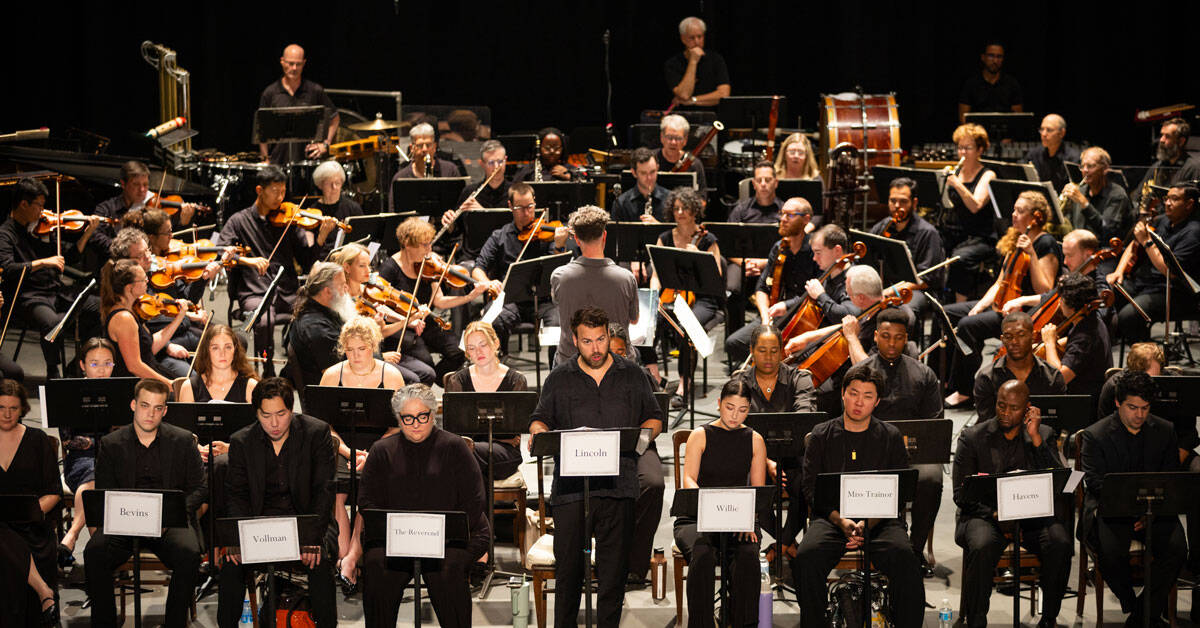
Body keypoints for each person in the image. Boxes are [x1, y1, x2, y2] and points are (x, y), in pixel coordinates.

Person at [529, 306, 664, 626]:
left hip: (619, 485)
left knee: (613, 576)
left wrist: (641, 440)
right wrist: (538, 433)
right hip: (571, 490)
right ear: (575, 340)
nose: (596, 348)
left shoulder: (632, 374)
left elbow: (654, 417)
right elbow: (540, 419)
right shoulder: (560, 378)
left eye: (601, 339)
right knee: (568, 576)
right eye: (587, 341)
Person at [791, 364, 925, 628]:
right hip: (831, 518)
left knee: (906, 557)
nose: (859, 402)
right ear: (843, 394)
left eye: (867, 396)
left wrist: (868, 524)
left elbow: (899, 492)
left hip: (881, 519)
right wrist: (841, 521)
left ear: (877, 401)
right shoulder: (821, 435)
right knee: (806, 557)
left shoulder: (890, 436)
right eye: (853, 394)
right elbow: (810, 489)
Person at [354, 384, 489, 627]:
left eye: (422, 416)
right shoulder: (382, 450)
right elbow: (367, 500)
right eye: (408, 418)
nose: (415, 424)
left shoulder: (455, 447)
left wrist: (437, 536)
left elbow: (474, 498)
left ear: (432, 414)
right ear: (399, 418)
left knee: (446, 572)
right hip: (396, 538)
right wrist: (397, 533)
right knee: (377, 568)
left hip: (452, 538)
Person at [217, 377, 337, 628]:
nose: (274, 423)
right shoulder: (242, 441)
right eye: (266, 415)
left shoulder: (316, 433)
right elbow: (236, 494)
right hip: (260, 525)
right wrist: (238, 538)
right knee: (230, 565)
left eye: (281, 414)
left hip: (306, 523)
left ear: (291, 410)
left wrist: (312, 538)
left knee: (320, 560)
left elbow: (324, 491)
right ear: (256, 413)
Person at [85, 378, 205, 628]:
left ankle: (174, 624)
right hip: (125, 522)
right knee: (94, 552)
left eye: (157, 408)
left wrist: (174, 512)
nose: (150, 414)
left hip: (169, 522)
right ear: (133, 405)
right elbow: (105, 492)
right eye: (145, 406)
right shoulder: (111, 443)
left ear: (165, 410)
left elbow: (199, 487)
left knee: (189, 553)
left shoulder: (183, 440)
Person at [952, 380, 1070, 628]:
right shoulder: (972, 438)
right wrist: (996, 513)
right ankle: (975, 620)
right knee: (981, 545)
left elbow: (1058, 483)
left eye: (1014, 408)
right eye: (1001, 405)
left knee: (1060, 542)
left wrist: (1035, 438)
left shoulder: (1043, 434)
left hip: (1031, 519)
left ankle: (1049, 618)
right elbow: (962, 494)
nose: (1005, 412)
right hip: (985, 515)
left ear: (1027, 409)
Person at [1079, 371, 1186, 626]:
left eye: (1145, 408)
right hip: (1113, 510)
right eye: (1133, 407)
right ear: (1118, 402)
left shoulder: (1165, 430)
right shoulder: (1095, 435)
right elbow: (1096, 483)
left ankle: (1142, 615)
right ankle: (1137, 608)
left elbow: (1170, 477)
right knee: (1110, 554)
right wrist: (1132, 510)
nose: (1139, 415)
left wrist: (1150, 513)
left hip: (1155, 510)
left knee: (1177, 549)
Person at [942, 191, 1061, 407]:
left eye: (1020, 211)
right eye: (1014, 210)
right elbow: (1000, 282)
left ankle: (966, 390)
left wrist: (1032, 254)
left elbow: (1046, 290)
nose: (1013, 215)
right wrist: (980, 305)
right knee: (947, 312)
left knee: (967, 326)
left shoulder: (1046, 243)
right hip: (1002, 304)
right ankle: (945, 381)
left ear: (1035, 217)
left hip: (1022, 313)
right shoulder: (1016, 238)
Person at [216, 166, 336, 371]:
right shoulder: (239, 221)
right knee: (263, 322)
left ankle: (303, 368)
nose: (280, 198)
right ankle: (267, 367)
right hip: (255, 291)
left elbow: (307, 261)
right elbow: (221, 252)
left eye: (283, 192)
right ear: (259, 190)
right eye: (274, 191)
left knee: (320, 312)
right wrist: (249, 261)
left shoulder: (288, 221)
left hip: (288, 291)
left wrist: (321, 237)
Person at [851, 307, 943, 572]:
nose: (892, 343)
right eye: (886, 336)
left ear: (906, 339)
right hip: (871, 452)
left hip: (913, 453)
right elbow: (849, 420)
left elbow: (934, 426)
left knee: (931, 477)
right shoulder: (859, 373)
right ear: (876, 336)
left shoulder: (923, 374)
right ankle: (875, 545)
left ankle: (914, 549)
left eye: (898, 337)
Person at [674, 379, 767, 627]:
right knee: (703, 554)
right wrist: (708, 509)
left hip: (739, 517)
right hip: (697, 517)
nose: (735, 415)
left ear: (749, 409)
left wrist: (748, 520)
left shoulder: (755, 439)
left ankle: (742, 623)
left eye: (742, 410)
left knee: (748, 555)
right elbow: (689, 479)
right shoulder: (700, 435)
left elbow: (757, 490)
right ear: (719, 404)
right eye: (729, 407)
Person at [0, 178, 103, 377]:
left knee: (102, 309)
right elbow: (8, 268)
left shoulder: (42, 230)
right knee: (52, 324)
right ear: (24, 204)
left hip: (57, 292)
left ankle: (75, 367)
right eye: (39, 205)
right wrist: (43, 262)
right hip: (29, 297)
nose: (43, 211)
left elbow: (68, 258)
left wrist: (87, 233)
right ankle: (52, 371)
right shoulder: (5, 234)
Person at [377, 217, 481, 382]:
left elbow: (439, 300)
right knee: (426, 363)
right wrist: (409, 321)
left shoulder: (426, 265)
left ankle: (438, 381)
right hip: (401, 328)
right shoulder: (389, 269)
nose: (430, 249)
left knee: (458, 351)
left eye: (430, 243)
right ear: (408, 245)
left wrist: (469, 297)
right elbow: (381, 307)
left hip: (426, 322)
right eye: (424, 245)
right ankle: (425, 381)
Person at [471, 182, 572, 349]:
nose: (526, 213)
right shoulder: (499, 236)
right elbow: (478, 268)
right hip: (509, 302)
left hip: (543, 301)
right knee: (493, 322)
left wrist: (560, 246)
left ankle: (556, 365)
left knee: (558, 328)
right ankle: (499, 360)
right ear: (510, 206)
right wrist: (488, 283)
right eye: (520, 208)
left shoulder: (547, 234)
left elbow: (558, 270)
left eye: (530, 206)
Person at [651, 187, 722, 406]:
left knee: (686, 327)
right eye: (676, 208)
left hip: (703, 300)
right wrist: (653, 298)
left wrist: (699, 257)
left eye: (685, 208)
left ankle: (684, 383)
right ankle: (654, 377)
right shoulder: (664, 238)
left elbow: (717, 277)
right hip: (671, 297)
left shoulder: (708, 239)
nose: (680, 212)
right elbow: (656, 275)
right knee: (648, 323)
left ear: (694, 211)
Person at [724, 197, 817, 366]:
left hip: (804, 317)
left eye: (790, 215)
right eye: (782, 214)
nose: (783, 219)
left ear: (806, 220)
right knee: (734, 343)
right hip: (775, 314)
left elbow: (818, 292)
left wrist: (787, 305)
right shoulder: (779, 247)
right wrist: (765, 318)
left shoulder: (815, 250)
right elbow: (762, 287)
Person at [0, 379, 62, 626]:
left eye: (13, 408)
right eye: (1, 407)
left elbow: (54, 492)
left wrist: (31, 512)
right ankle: (43, 590)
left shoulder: (37, 440)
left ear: (23, 409)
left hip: (30, 523)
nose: (7, 414)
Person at [1108, 183, 1200, 343]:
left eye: (1174, 199)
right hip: (1145, 283)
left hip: (1173, 292)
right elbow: (1135, 244)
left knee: (1129, 316)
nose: (1167, 203)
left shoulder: (1193, 232)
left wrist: (1147, 242)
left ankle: (1148, 355)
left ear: (1189, 204)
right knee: (1108, 294)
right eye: (1167, 198)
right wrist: (1119, 271)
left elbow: (1170, 272)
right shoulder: (1162, 220)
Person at [550, 205, 638, 366]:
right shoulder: (626, 278)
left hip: (571, 366)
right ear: (604, 236)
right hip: (616, 365)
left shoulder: (559, 276)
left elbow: (558, 304)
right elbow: (634, 319)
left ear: (577, 239)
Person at [329, 242, 427, 384]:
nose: (368, 271)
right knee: (414, 379)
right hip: (364, 356)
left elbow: (381, 331)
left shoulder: (369, 292)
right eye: (362, 266)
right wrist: (381, 356)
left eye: (369, 265)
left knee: (427, 374)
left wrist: (406, 320)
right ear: (347, 268)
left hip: (378, 348)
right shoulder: (343, 301)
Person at [444, 320, 528, 481]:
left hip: (504, 453)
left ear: (496, 343)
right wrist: (497, 435)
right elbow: (454, 429)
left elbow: (514, 431)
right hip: (467, 449)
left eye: (483, 345)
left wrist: (478, 434)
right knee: (464, 452)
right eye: (471, 348)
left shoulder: (516, 380)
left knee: (464, 452)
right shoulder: (457, 380)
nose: (478, 352)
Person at [57, 337, 117, 563]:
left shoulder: (122, 392)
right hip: (80, 461)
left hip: (115, 460)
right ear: (82, 365)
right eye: (94, 364)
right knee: (94, 477)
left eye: (107, 363)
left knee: (101, 475)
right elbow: (68, 442)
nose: (102, 370)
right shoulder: (69, 393)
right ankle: (100, 556)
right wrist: (101, 441)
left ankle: (75, 537)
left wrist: (100, 442)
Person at [90, 160, 199, 268]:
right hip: (116, 267)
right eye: (136, 184)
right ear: (123, 184)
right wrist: (125, 249)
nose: (142, 190)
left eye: (145, 185)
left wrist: (183, 223)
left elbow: (169, 239)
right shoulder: (106, 209)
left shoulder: (156, 206)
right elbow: (95, 237)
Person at [100, 258, 189, 385]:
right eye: (143, 279)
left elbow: (148, 349)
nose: (147, 280)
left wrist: (179, 317)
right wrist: (169, 384)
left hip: (148, 376)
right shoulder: (123, 318)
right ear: (129, 287)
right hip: (137, 386)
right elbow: (134, 366)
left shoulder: (132, 309)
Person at [868, 177, 947, 315]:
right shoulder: (882, 227)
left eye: (903, 201)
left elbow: (926, 280)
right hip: (885, 287)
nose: (897, 206)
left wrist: (892, 291)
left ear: (914, 203)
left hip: (916, 290)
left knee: (903, 312)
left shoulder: (928, 233)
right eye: (893, 201)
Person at [972, 312, 1067, 423]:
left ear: (1033, 336)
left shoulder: (1052, 376)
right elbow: (987, 424)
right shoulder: (987, 377)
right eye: (1008, 337)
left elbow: (1058, 420)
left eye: (1021, 335)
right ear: (1002, 339)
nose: (1014, 342)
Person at [257, 43, 339, 164]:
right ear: (282, 62)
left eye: (298, 64)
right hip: (278, 162)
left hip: (308, 162)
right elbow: (262, 129)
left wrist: (326, 144)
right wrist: (265, 159)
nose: (294, 68)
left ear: (304, 63)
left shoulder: (314, 90)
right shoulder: (270, 93)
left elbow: (335, 118)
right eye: (290, 63)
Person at [1039, 272, 1112, 396]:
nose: (1059, 303)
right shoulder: (1092, 319)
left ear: (1072, 307)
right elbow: (1074, 344)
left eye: (1061, 299)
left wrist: (1049, 344)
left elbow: (1058, 380)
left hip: (1083, 402)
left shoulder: (1084, 336)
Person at [287, 261, 353, 389]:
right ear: (327, 291)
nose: (347, 289)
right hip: (331, 392)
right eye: (342, 285)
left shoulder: (326, 311)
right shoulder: (316, 328)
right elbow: (336, 375)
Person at [1061, 146, 1134, 244]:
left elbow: (1107, 231)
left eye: (1090, 166)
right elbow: (1072, 226)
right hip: (1080, 246)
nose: (1085, 170)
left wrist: (1085, 204)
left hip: (1104, 248)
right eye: (1082, 166)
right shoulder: (1081, 190)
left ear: (1105, 169)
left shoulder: (1117, 195)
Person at [179, 324, 260, 403]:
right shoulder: (189, 387)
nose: (222, 353)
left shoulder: (251, 387)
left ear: (235, 350)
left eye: (228, 347)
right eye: (215, 348)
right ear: (207, 351)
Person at [665, 16, 730, 109]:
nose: (697, 41)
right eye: (692, 38)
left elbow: (724, 94)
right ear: (683, 39)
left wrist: (693, 100)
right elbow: (684, 95)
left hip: (713, 114)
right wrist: (693, 61)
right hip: (684, 114)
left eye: (700, 37)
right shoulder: (673, 64)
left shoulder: (716, 59)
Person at [1132, 117, 1200, 203]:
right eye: (1161, 135)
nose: (1161, 140)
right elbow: (1137, 196)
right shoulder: (1157, 166)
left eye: (1167, 136)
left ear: (1181, 141)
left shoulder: (1194, 168)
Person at [957, 41, 1023, 123]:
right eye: (991, 56)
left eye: (999, 57)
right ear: (983, 57)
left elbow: (1018, 118)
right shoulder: (971, 84)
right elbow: (963, 118)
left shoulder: (1011, 83)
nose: (995, 61)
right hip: (977, 129)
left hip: (1005, 129)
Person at [390, 122, 461, 188]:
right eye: (420, 145)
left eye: (428, 145)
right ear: (412, 148)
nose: (424, 149)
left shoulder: (450, 171)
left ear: (434, 147)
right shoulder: (401, 178)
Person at [1024, 114, 1080, 193]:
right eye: (1042, 129)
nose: (1043, 134)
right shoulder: (1034, 154)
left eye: (1049, 130)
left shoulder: (1073, 159)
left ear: (1062, 133)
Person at [612, 147, 671, 222]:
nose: (649, 178)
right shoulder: (621, 204)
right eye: (643, 173)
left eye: (652, 172)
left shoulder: (670, 200)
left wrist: (657, 226)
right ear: (634, 173)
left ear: (657, 168)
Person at [655, 114, 707, 192]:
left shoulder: (695, 164)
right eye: (669, 137)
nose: (673, 142)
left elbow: (702, 197)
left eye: (678, 138)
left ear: (685, 140)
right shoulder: (651, 159)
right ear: (661, 137)